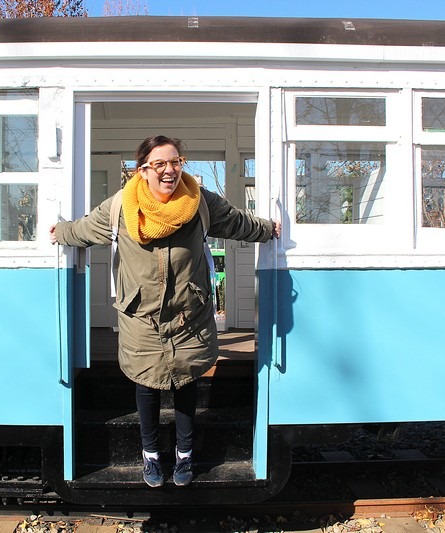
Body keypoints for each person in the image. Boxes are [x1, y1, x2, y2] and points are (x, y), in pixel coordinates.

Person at [50, 135, 280, 488]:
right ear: (143, 170)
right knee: (146, 385)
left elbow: (236, 222)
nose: (170, 170)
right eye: (160, 164)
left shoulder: (200, 201)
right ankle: (151, 456)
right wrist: (61, 232)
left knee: (186, 383)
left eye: (176, 161)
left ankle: (185, 456)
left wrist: (267, 228)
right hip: (141, 316)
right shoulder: (120, 207)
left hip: (189, 314)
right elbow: (86, 228)